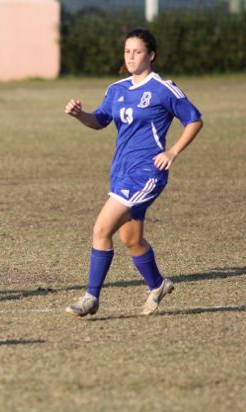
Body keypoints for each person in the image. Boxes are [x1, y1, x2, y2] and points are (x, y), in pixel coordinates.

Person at [63, 28, 203, 317]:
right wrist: (80, 115)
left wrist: (173, 151)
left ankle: (91, 297)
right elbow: (100, 120)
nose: (131, 56)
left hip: (147, 173)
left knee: (101, 229)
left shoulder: (163, 89)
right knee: (131, 240)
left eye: (137, 51)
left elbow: (194, 120)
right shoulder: (117, 89)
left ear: (150, 55)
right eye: (127, 51)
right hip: (121, 172)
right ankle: (158, 284)